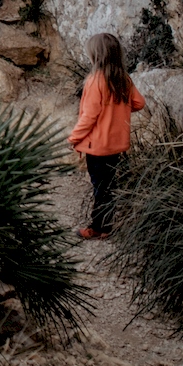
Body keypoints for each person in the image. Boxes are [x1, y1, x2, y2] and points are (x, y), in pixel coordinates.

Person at [68, 32, 145, 240]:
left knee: (100, 188)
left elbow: (89, 117)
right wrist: (118, 112)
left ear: (96, 56)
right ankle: (106, 226)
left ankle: (98, 228)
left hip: (98, 146)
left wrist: (73, 138)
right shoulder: (123, 79)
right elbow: (139, 103)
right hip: (116, 145)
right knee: (108, 186)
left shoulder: (95, 81)